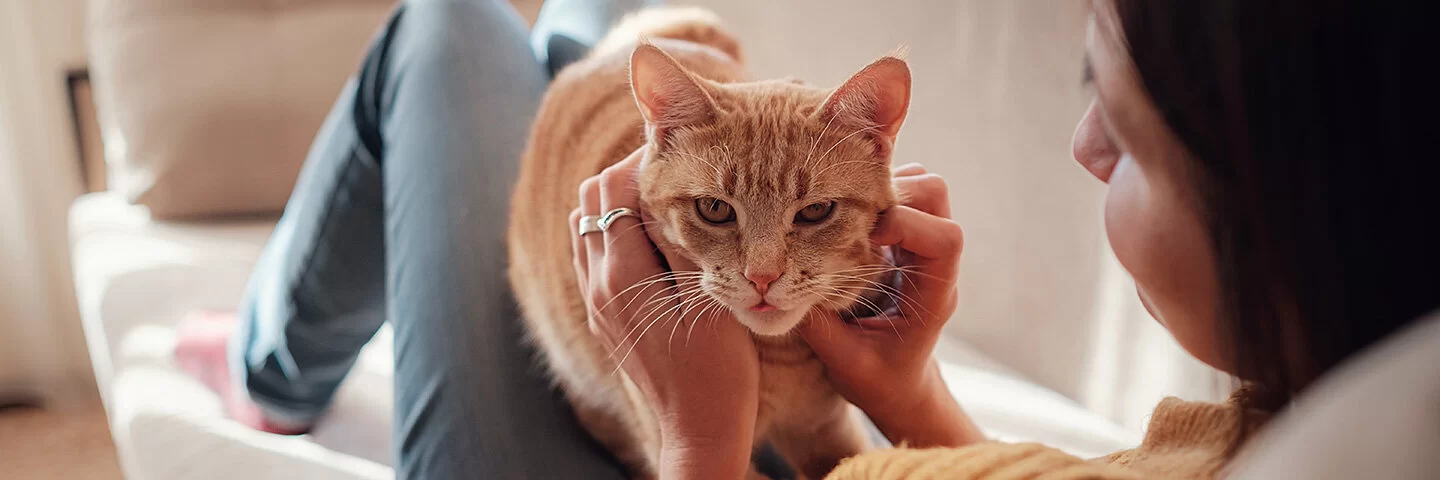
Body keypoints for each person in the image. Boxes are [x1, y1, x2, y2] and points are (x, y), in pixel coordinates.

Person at [175, 0, 1440, 478]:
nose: (1082, 149)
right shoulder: (1282, 421)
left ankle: (271, 373)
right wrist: (906, 393)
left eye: (1122, 123)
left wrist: (698, 435)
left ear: (1287, 203)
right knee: (605, 35)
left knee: (446, 26)